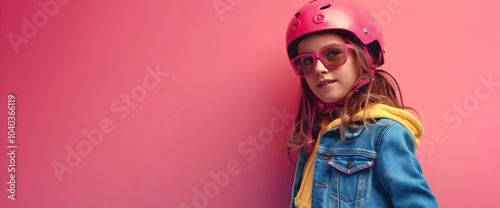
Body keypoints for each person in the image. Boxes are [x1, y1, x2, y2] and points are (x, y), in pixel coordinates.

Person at [284, 0, 438, 207]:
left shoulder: (385, 134)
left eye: (333, 53)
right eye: (307, 60)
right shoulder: (315, 133)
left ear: (366, 56)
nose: (319, 68)